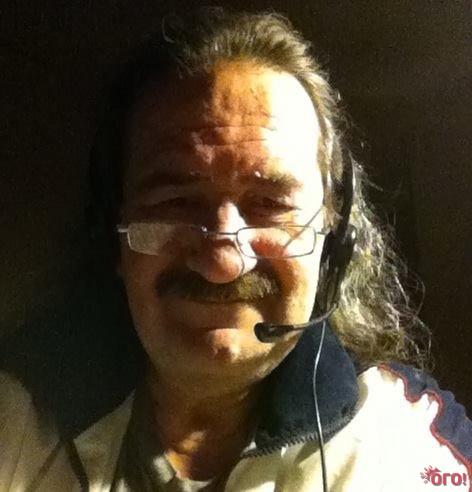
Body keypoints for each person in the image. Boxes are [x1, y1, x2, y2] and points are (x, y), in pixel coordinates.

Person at [1, 8, 471, 492]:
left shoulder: (406, 441)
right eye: (176, 202)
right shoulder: (14, 418)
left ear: (334, 240)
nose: (223, 264)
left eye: (270, 204)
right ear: (112, 233)